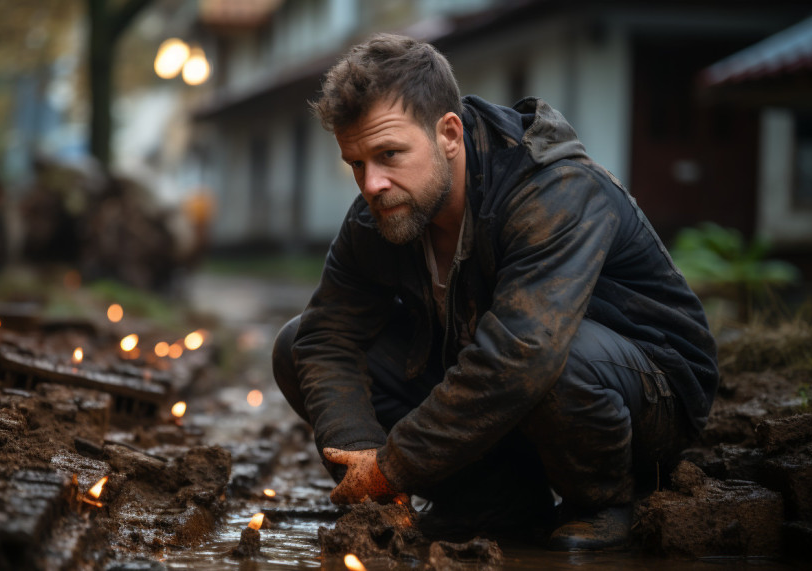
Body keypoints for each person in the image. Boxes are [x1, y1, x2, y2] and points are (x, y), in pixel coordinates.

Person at [272, 33, 718, 551]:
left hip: (647, 397)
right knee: (297, 341)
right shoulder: (382, 212)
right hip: (515, 397)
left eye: (389, 154)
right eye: (356, 164)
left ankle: (601, 503)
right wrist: (363, 464)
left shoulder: (553, 190)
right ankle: (494, 502)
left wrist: (394, 466)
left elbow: (521, 354)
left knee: (552, 358)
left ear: (449, 134)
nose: (371, 183)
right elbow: (329, 339)